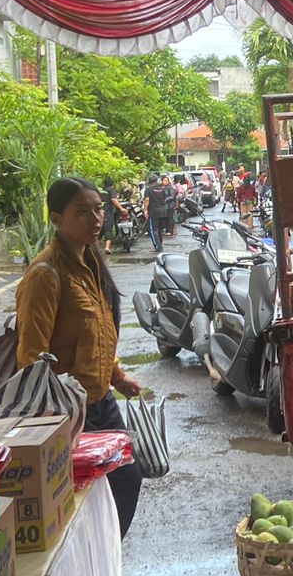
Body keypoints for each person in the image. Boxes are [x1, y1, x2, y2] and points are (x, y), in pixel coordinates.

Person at [15, 177, 144, 552]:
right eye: (82, 211)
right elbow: (31, 355)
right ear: (57, 218)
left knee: (124, 480)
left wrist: (116, 376)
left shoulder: (91, 263)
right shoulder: (45, 274)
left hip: (100, 400)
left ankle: (104, 562)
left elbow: (97, 332)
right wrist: (58, 414)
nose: (95, 218)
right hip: (67, 412)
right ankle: (94, 563)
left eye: (98, 208)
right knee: (93, 491)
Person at [143, 174, 175, 253]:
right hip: (163, 211)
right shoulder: (162, 189)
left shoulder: (148, 190)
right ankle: (160, 244)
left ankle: (157, 247)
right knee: (160, 230)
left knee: (153, 230)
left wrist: (145, 210)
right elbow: (164, 199)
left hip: (153, 211)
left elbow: (147, 200)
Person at [100, 177, 126, 254]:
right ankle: (107, 248)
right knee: (108, 229)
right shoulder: (112, 190)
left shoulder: (100, 191)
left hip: (98, 212)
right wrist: (121, 209)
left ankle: (95, 249)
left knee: (99, 231)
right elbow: (113, 199)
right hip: (107, 212)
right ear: (112, 184)